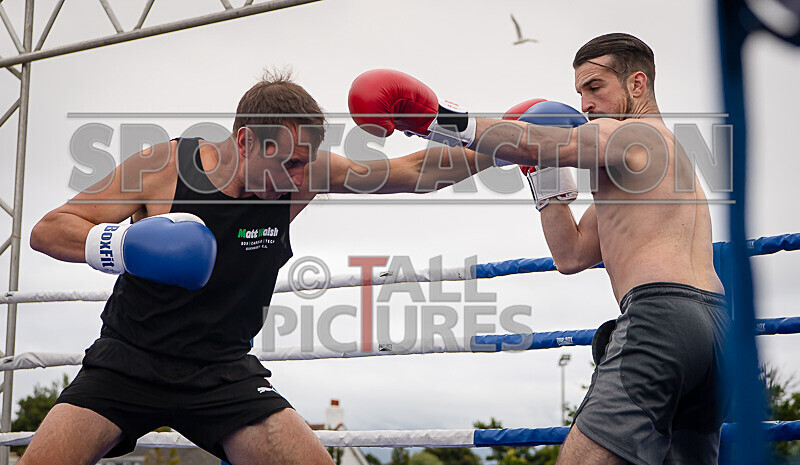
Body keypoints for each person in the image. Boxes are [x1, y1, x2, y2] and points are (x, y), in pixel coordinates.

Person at [25, 69, 500, 465]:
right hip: (127, 363)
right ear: (246, 140)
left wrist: (506, 141)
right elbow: (48, 230)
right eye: (289, 163)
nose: (299, 178)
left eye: (305, 163)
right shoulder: (163, 166)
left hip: (223, 373)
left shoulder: (305, 173)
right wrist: (127, 245)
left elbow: (414, 171)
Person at [349, 33, 729, 465]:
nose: (586, 104)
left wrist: (437, 118)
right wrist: (544, 176)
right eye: (580, 92)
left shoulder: (633, 134)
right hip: (715, 331)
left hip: (662, 319)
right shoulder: (658, 161)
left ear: (637, 84)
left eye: (596, 87)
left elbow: (539, 141)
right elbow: (573, 255)